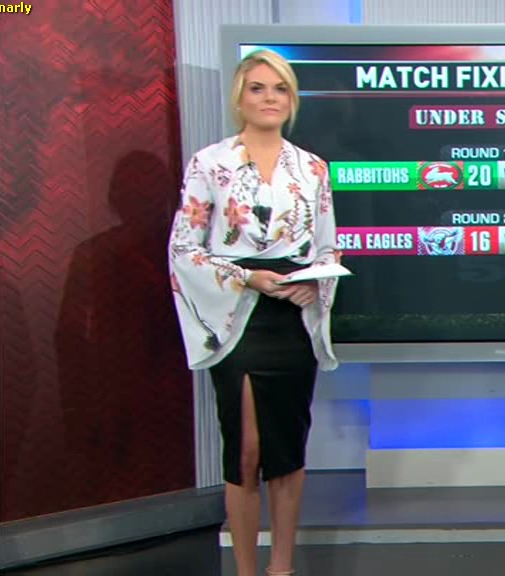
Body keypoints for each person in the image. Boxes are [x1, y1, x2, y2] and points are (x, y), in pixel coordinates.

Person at [168, 49, 340, 576]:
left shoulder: (311, 167)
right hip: (235, 316)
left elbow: (327, 249)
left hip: (291, 320)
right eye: (258, 88)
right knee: (246, 449)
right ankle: (245, 569)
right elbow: (183, 249)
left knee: (286, 449)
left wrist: (313, 283)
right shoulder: (210, 163)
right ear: (239, 99)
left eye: (280, 88)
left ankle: (280, 567)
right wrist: (247, 277)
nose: (270, 98)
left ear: (292, 99)